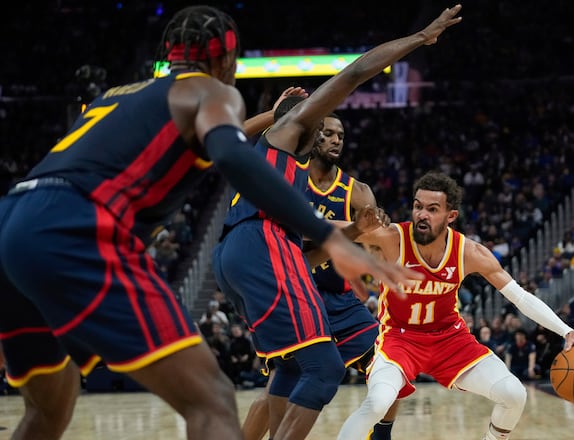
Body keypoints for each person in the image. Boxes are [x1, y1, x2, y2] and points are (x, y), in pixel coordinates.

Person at [0, 6, 417, 440]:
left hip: (14, 219)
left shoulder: (120, 95)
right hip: (75, 228)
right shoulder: (211, 92)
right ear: (226, 62)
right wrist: (331, 235)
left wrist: (271, 119)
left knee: (49, 405)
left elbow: (225, 138)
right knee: (213, 400)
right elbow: (232, 152)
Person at [212, 6, 463, 440]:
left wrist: (356, 232)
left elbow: (311, 251)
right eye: (321, 126)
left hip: (245, 257)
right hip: (262, 247)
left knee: (293, 371)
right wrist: (420, 37)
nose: (326, 135)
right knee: (324, 368)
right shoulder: (288, 133)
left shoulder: (277, 167)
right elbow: (355, 72)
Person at [336, 172, 574, 440]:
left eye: (432, 209)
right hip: (399, 339)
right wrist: (298, 217)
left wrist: (566, 331)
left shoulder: (469, 252)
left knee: (514, 393)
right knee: (378, 403)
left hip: (450, 340)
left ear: (450, 216)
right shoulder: (393, 238)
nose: (421, 215)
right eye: (418, 206)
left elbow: (519, 296)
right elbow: (325, 229)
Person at [238, 112, 400, 440]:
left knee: (391, 365)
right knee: (275, 395)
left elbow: (375, 246)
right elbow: (301, 251)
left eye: (340, 134)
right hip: (296, 297)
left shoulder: (358, 192)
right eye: (327, 133)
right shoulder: (289, 182)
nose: (336, 139)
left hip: (341, 300)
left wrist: (378, 242)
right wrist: (352, 234)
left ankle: (381, 436)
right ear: (313, 137)